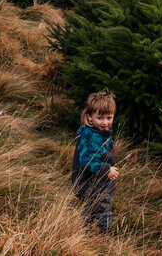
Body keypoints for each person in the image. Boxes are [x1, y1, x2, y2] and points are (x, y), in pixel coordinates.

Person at [72, 91, 119, 231]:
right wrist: (107, 169)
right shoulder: (93, 136)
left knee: (91, 207)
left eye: (109, 117)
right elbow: (89, 161)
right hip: (94, 183)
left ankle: (84, 230)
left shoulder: (99, 131)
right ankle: (103, 236)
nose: (105, 122)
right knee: (103, 209)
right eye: (100, 118)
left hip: (94, 182)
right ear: (90, 117)